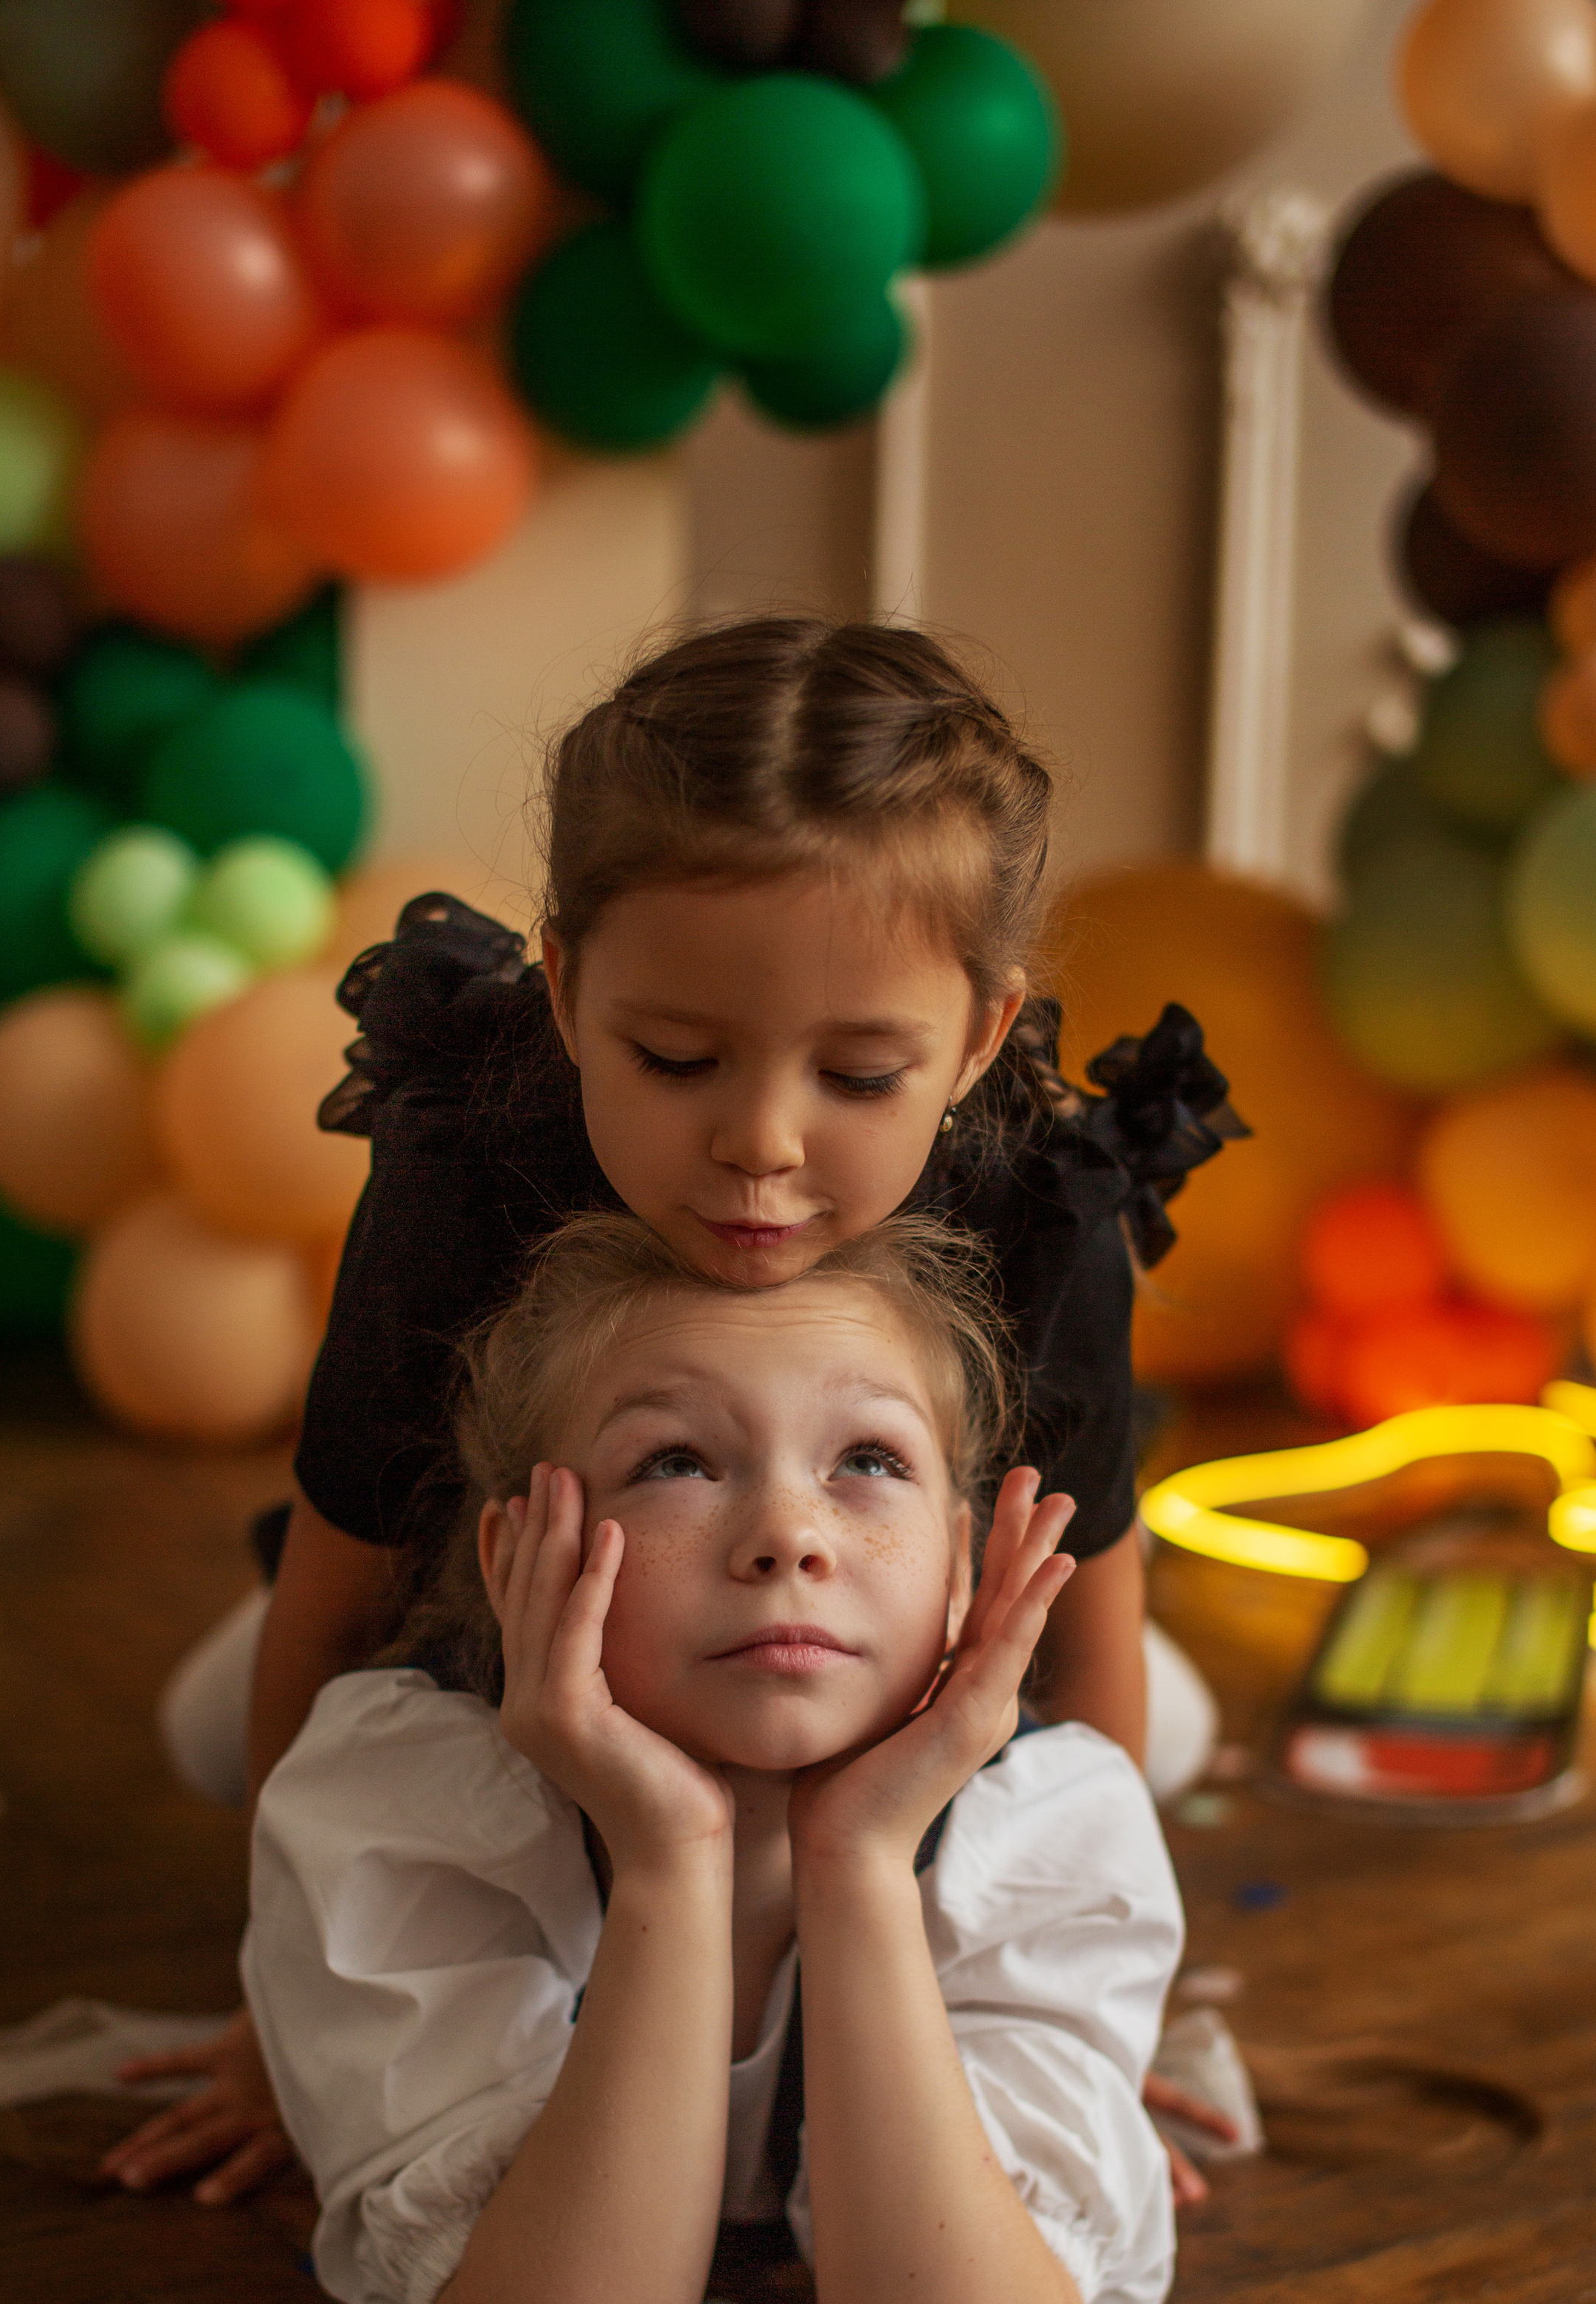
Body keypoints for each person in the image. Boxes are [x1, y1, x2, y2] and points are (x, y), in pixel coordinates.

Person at [103, 614, 1241, 2207]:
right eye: (675, 1057)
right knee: (224, 1738)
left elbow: (1086, 1624)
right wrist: (284, 2010)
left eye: (856, 1078)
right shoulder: (467, 1154)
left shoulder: (1039, 1198)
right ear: (567, 993)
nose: (758, 1145)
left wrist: (1094, 2031)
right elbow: (341, 1573)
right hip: (500, 1620)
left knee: (1155, 1734)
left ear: (977, 1037)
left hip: (876, 1645)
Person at [243, 1214, 1183, 2304]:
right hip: (473, 1679)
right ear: (527, 1557)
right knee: (209, 1713)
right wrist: (671, 1857)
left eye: (867, 1458)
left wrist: (858, 1864)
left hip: (953, 1696)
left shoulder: (1045, 1831)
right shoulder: (405, 1810)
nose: (787, 1536)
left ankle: (1152, 1683)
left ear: (968, 1569)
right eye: (677, 1461)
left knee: (1168, 1727)